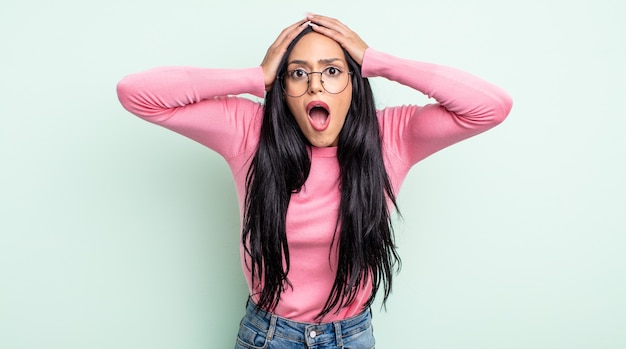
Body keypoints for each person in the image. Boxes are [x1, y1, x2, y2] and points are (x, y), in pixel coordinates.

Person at [117, 14, 512, 349]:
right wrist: (256, 75)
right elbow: (136, 93)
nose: (316, 85)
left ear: (354, 83)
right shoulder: (249, 132)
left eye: (333, 71)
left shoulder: (391, 135)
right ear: (283, 90)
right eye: (298, 73)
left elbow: (491, 107)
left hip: (352, 335)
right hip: (268, 336)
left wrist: (377, 60)